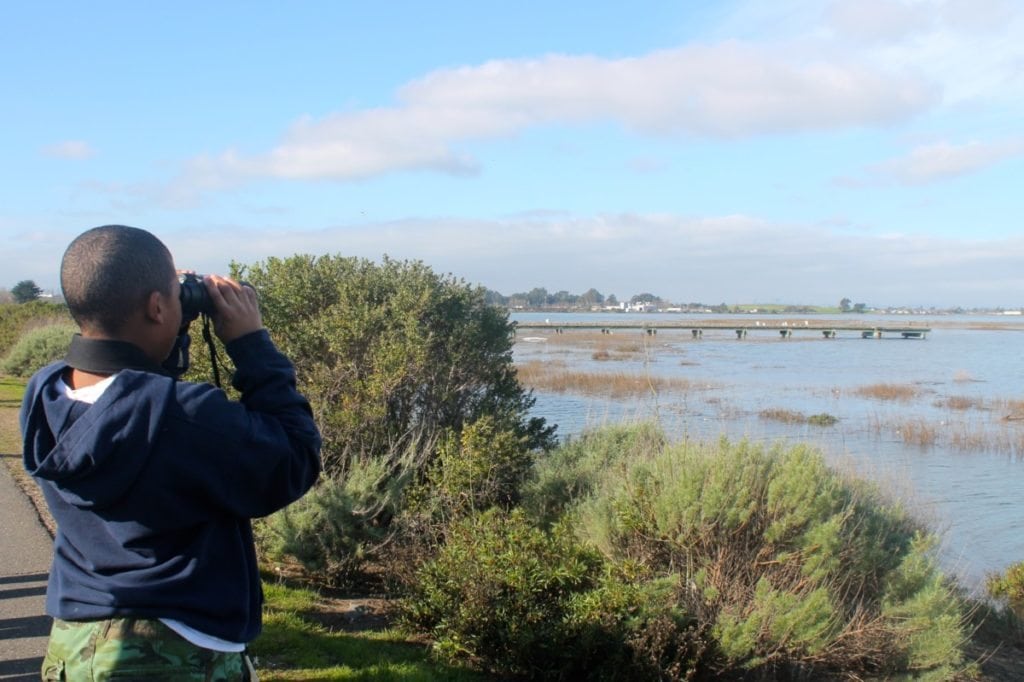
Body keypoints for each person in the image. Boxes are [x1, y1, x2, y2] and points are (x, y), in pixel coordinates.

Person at [20, 225, 322, 680]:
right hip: (177, 650)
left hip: (75, 647)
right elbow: (295, 457)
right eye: (173, 298)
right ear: (156, 306)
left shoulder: (44, 394)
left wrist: (164, 320)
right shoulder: (187, 417)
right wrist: (251, 345)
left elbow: (133, 399)